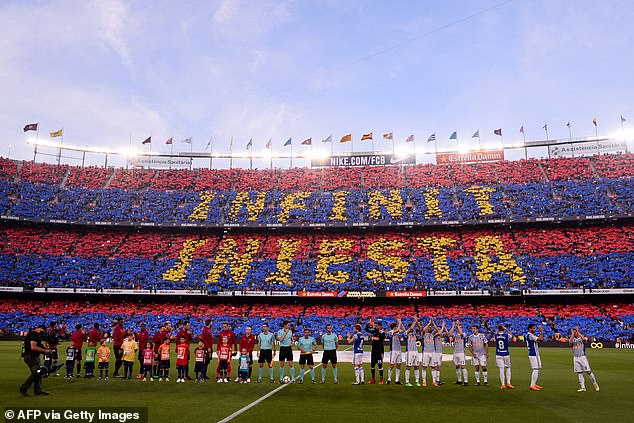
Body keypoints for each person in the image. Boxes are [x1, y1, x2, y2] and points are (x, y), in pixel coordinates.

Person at [20, 324, 53, 396]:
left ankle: (38, 390)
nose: (42, 331)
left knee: (38, 373)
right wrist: (45, 351)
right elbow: (33, 347)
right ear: (39, 328)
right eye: (42, 329)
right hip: (31, 356)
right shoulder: (34, 334)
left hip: (32, 356)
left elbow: (39, 346)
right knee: (36, 372)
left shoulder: (34, 334)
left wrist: (46, 350)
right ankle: (24, 388)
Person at [570, 328, 599, 392]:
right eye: (573, 332)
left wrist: (578, 332)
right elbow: (570, 342)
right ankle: (583, 387)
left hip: (582, 357)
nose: (574, 333)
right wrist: (572, 334)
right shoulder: (573, 339)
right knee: (579, 373)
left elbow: (584, 339)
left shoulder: (581, 338)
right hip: (575, 357)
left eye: (575, 332)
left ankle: (595, 383)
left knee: (588, 371)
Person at [364, 318, 386, 384]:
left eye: (377, 325)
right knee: (372, 365)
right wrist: (369, 323)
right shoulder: (374, 331)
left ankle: (381, 379)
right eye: (376, 325)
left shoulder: (382, 332)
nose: (376, 326)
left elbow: (379, 334)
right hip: (373, 351)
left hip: (379, 351)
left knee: (380, 365)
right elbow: (366, 329)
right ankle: (373, 378)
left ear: (380, 326)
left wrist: (374, 328)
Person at [494, 325, 514, 389]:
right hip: (506, 353)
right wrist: (506, 329)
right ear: (503, 329)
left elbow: (494, 339)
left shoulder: (496, 335)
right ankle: (509, 383)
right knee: (508, 368)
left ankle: (503, 385)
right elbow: (511, 335)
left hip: (498, 354)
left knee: (501, 370)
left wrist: (497, 331)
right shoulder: (506, 335)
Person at [449, 321, 468, 386]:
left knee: (463, 366)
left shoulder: (464, 333)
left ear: (461, 327)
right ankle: (459, 380)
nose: (458, 328)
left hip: (461, 352)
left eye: (459, 327)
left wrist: (457, 326)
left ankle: (466, 381)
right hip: (455, 352)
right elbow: (450, 333)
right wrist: (453, 326)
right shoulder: (455, 334)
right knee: (457, 366)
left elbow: (461, 334)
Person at [386, 318, 405, 385]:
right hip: (393, 351)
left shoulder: (396, 332)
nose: (397, 327)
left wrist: (401, 323)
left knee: (399, 365)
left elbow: (403, 330)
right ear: (394, 327)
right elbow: (397, 330)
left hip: (399, 350)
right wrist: (399, 323)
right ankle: (389, 379)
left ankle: (397, 380)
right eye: (396, 326)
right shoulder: (391, 332)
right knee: (391, 365)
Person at [404, 316, 421, 387]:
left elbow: (420, 329)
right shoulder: (406, 332)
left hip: (415, 351)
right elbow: (411, 328)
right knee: (408, 366)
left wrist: (417, 322)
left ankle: (417, 381)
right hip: (409, 352)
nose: (413, 329)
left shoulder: (414, 333)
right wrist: (415, 321)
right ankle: (407, 381)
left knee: (416, 366)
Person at [526, 324, 544, 391]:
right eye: (533, 328)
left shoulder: (530, 335)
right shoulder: (530, 335)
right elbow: (541, 339)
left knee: (537, 369)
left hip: (535, 354)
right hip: (533, 354)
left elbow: (539, 340)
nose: (535, 329)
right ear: (530, 329)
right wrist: (541, 331)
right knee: (535, 369)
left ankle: (534, 383)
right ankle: (532, 385)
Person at [420, 318, 435, 387]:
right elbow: (423, 330)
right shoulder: (424, 334)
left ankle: (434, 381)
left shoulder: (433, 334)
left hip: (433, 352)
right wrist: (429, 323)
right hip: (426, 352)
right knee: (424, 367)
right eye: (429, 327)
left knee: (433, 367)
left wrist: (432, 323)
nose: (430, 328)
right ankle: (424, 381)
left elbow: (438, 330)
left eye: (430, 327)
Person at [432, 320, 447, 386]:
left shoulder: (440, 336)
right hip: (436, 353)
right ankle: (435, 380)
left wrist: (445, 327)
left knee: (439, 366)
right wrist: (443, 327)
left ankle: (437, 380)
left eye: (439, 328)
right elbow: (439, 332)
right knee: (436, 366)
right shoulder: (434, 335)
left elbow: (447, 333)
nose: (439, 330)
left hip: (440, 352)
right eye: (438, 328)